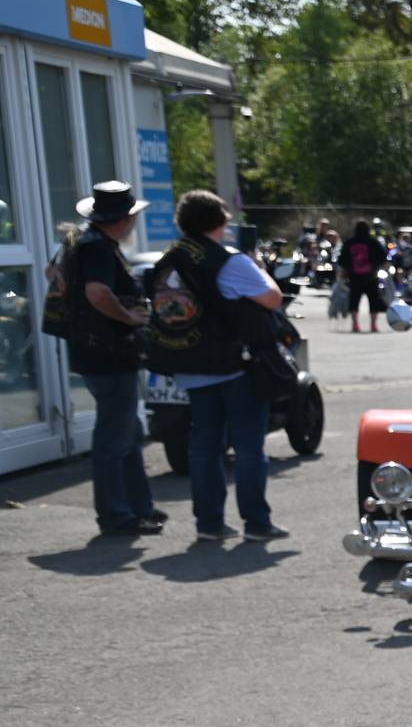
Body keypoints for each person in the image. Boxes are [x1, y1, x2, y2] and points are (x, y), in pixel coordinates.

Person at [146, 191, 287, 542]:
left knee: (204, 447)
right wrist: (262, 271)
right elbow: (272, 298)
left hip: (190, 363)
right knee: (249, 447)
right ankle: (256, 523)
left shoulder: (169, 259)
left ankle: (208, 524)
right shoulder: (229, 260)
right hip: (235, 365)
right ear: (220, 222)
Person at [55, 182, 162, 537]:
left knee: (126, 431)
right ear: (123, 219)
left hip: (94, 352)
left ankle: (137, 507)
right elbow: (97, 292)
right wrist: (128, 317)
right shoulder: (98, 249)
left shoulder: (79, 242)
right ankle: (116, 515)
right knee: (114, 437)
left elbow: (52, 276)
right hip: (108, 353)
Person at [338, 220, 389, 332]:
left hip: (354, 277)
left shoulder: (349, 242)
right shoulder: (373, 242)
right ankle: (373, 325)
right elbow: (383, 258)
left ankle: (355, 324)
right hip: (371, 276)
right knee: (374, 301)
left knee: (354, 301)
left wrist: (344, 273)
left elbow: (342, 261)